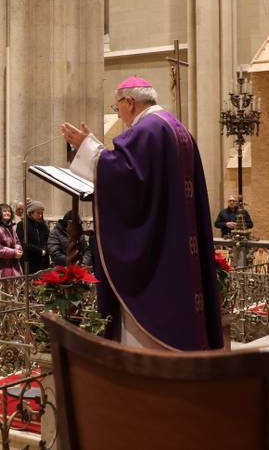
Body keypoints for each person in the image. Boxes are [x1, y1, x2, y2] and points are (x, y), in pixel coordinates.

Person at [62, 75, 223, 350]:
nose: (119, 114)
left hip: (160, 253)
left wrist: (86, 148)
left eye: (117, 107)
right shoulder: (176, 128)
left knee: (147, 330)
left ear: (130, 102)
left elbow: (124, 179)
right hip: (177, 240)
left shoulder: (146, 131)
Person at [0, 204, 24, 279]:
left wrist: (19, 250)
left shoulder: (10, 227)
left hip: (13, 264)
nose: (7, 213)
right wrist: (13, 253)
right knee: (1, 289)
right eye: (4, 211)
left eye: (9, 211)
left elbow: (17, 242)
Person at [16, 200, 51, 273]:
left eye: (41, 213)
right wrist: (39, 251)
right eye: (38, 213)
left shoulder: (42, 225)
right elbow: (23, 242)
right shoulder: (22, 225)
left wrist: (44, 249)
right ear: (30, 213)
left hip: (43, 260)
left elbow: (47, 239)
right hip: (30, 260)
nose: (40, 215)